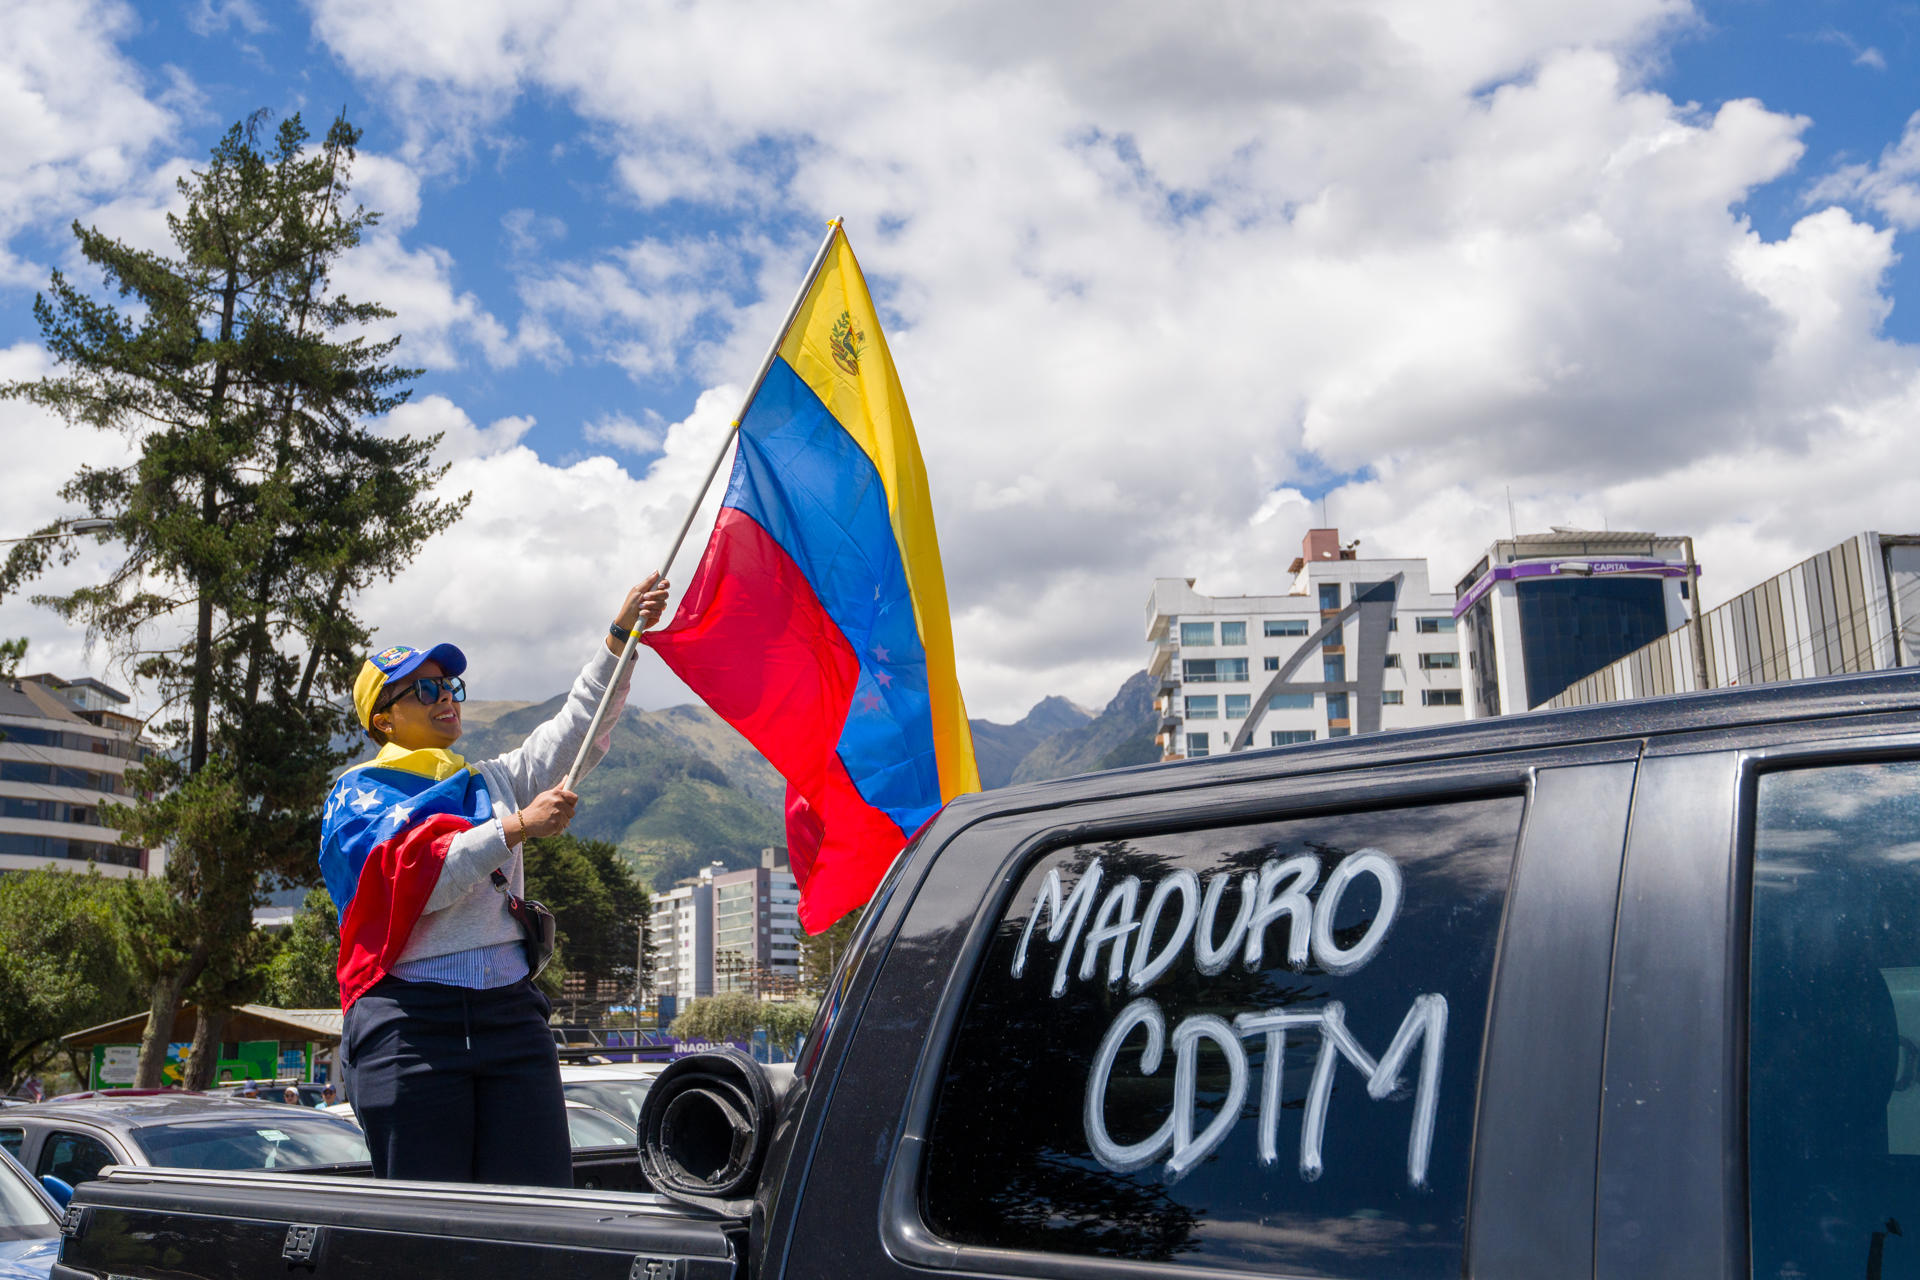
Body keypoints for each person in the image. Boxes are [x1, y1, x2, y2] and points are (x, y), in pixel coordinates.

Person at [323, 577, 669, 1185]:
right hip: (409, 1024)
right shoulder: (357, 797)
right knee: (429, 1223)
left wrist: (619, 639)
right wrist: (515, 827)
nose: (445, 697)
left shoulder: (491, 779)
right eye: (424, 689)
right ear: (383, 718)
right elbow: (417, 883)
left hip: (511, 1016)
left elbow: (577, 732)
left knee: (538, 1210)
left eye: (450, 686)